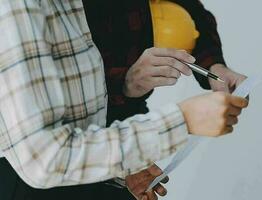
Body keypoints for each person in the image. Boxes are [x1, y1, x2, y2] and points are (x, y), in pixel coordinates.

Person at [0, 1, 248, 200]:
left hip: (109, 146)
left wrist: (118, 166)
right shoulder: (18, 8)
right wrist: (182, 120)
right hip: (32, 181)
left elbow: (77, 94)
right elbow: (45, 159)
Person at [82, 0, 248, 199]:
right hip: (74, 134)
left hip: (131, 123)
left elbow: (194, 14)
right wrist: (122, 82)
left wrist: (215, 66)